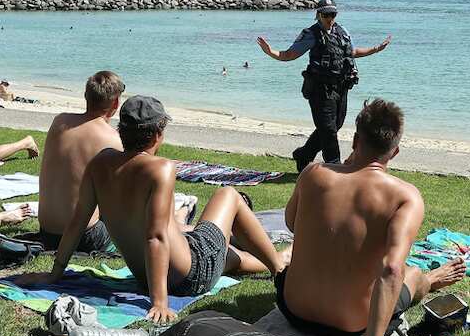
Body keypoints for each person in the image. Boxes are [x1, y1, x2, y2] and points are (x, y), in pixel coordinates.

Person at [15, 95, 290, 323]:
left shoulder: (100, 163)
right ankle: (279, 268)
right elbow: (155, 237)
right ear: (158, 134)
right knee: (228, 195)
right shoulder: (160, 169)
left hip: (151, 275)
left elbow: (77, 222)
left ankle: (281, 258)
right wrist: (160, 301)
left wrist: (55, 274)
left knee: (229, 257)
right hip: (189, 275)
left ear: (120, 131)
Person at [279, 99, 464, 336]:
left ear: (355, 140)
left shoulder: (313, 173)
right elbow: (391, 269)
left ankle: (426, 280)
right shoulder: (405, 196)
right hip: (351, 326)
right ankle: (430, 280)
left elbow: (292, 224)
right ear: (395, 151)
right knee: (410, 274)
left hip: (294, 311)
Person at [257, 0, 392, 172]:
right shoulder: (311, 34)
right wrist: (270, 52)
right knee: (328, 130)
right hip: (319, 89)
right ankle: (335, 168)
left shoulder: (342, 31)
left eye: (333, 14)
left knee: (335, 125)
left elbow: (352, 52)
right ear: (318, 14)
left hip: (341, 87)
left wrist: (375, 49)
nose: (330, 18)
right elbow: (288, 54)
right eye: (326, 14)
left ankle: (304, 154)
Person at [37, 71, 126, 252]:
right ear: (116, 103)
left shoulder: (59, 122)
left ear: (86, 96)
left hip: (47, 232)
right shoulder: (112, 139)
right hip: (84, 236)